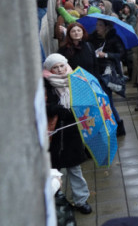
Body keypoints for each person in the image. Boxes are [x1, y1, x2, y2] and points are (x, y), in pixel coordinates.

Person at [43, 54, 92, 215]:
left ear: (66, 65)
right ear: (49, 70)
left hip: (72, 132)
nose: (59, 70)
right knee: (52, 170)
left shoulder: (75, 80)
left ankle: (81, 200)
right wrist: (56, 109)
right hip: (53, 134)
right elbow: (41, 106)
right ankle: (56, 198)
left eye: (61, 66)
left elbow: (84, 103)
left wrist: (75, 112)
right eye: (54, 68)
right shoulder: (44, 84)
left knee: (75, 169)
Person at [89, 19, 127, 135]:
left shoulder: (114, 38)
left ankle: (118, 126)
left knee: (108, 100)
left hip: (108, 73)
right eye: (96, 24)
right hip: (95, 71)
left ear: (106, 27)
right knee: (102, 100)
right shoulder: (93, 37)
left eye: (100, 25)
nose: (97, 27)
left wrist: (105, 55)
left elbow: (121, 54)